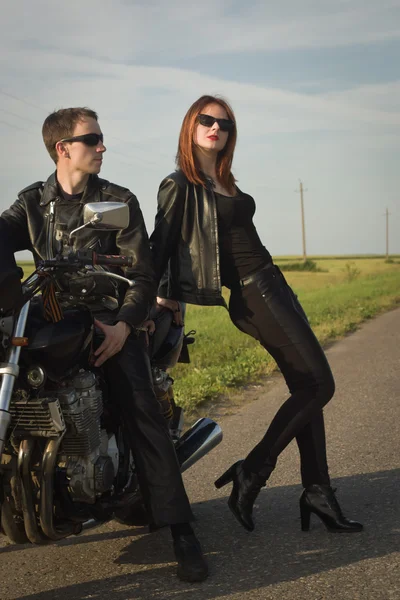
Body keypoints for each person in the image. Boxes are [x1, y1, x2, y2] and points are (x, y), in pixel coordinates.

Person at [0, 107, 208, 582]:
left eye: (99, 138)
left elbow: (141, 273)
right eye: (92, 139)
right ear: (63, 149)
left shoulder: (117, 200)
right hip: (49, 319)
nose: (101, 146)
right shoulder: (32, 203)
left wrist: (124, 326)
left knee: (141, 412)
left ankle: (181, 531)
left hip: (107, 321)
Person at [150, 95, 363, 534]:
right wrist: (160, 300)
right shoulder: (181, 185)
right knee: (321, 383)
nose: (216, 128)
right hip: (253, 293)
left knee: (306, 386)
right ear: (190, 127)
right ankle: (254, 470)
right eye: (206, 121)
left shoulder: (225, 180)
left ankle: (318, 490)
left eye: (224, 124)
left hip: (275, 284)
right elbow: (162, 246)